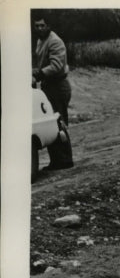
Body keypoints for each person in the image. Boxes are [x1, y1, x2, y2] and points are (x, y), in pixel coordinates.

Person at [32, 15, 74, 170]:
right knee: (51, 122)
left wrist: (39, 74)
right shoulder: (41, 40)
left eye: (42, 25)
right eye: (37, 26)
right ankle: (57, 160)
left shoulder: (54, 41)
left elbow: (56, 65)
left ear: (48, 26)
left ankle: (65, 160)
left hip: (58, 86)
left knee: (59, 122)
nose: (40, 28)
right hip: (49, 86)